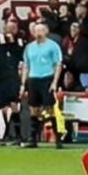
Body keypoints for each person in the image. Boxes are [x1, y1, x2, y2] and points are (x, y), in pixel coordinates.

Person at [20, 19, 66, 148]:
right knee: (33, 109)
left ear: (46, 31)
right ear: (33, 32)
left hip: (47, 78)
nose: (39, 32)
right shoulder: (29, 47)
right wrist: (23, 83)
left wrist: (55, 82)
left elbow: (58, 64)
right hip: (33, 79)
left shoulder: (53, 46)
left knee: (49, 109)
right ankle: (33, 139)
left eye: (41, 30)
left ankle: (58, 139)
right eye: (37, 30)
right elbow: (26, 65)